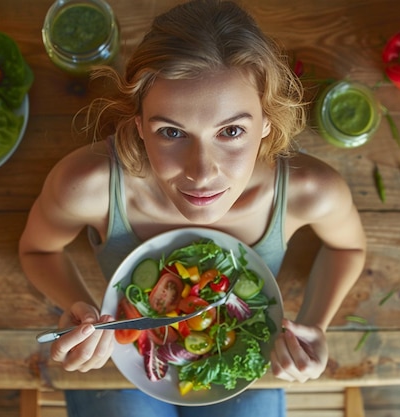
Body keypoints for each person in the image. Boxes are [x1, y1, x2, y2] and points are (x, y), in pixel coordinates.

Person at [19, 0, 366, 415]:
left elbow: (348, 248)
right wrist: (76, 308)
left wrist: (315, 325)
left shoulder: (310, 191)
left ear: (267, 122)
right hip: (118, 361)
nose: (201, 173)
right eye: (171, 131)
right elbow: (37, 250)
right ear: (138, 126)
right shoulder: (85, 185)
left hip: (243, 353)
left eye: (232, 130)